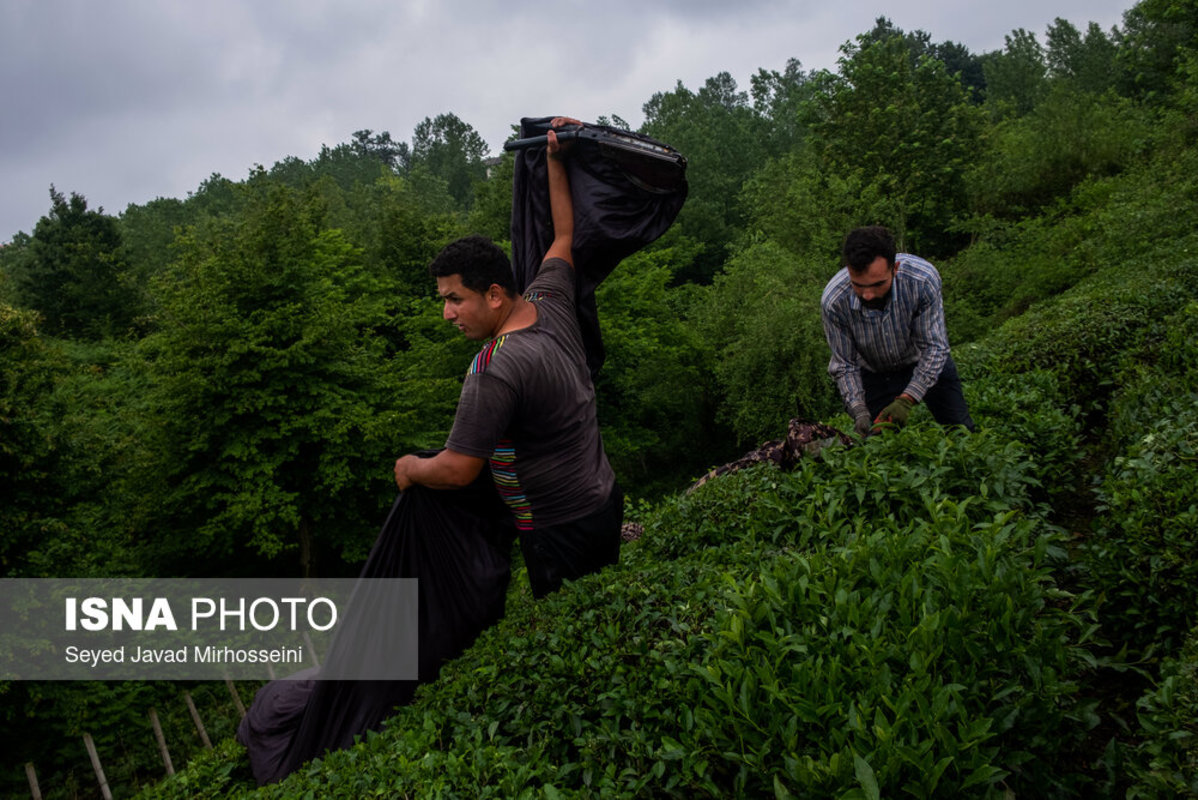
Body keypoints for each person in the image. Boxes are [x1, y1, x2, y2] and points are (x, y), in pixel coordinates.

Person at [393, 117, 623, 598]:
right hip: (603, 500)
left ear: (494, 294)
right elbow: (563, 236)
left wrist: (412, 466)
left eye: (455, 299)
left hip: (558, 530)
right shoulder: (550, 301)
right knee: (609, 610)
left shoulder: (494, 368)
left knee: (574, 644)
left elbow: (458, 470)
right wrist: (555, 161)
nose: (446, 313)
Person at [820, 225, 975, 437]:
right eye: (859, 285)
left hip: (924, 359)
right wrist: (858, 409)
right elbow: (845, 363)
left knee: (960, 429)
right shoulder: (834, 301)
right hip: (874, 373)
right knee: (879, 446)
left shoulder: (922, 280)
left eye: (877, 284)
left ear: (895, 268)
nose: (867, 295)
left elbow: (934, 347)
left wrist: (907, 399)